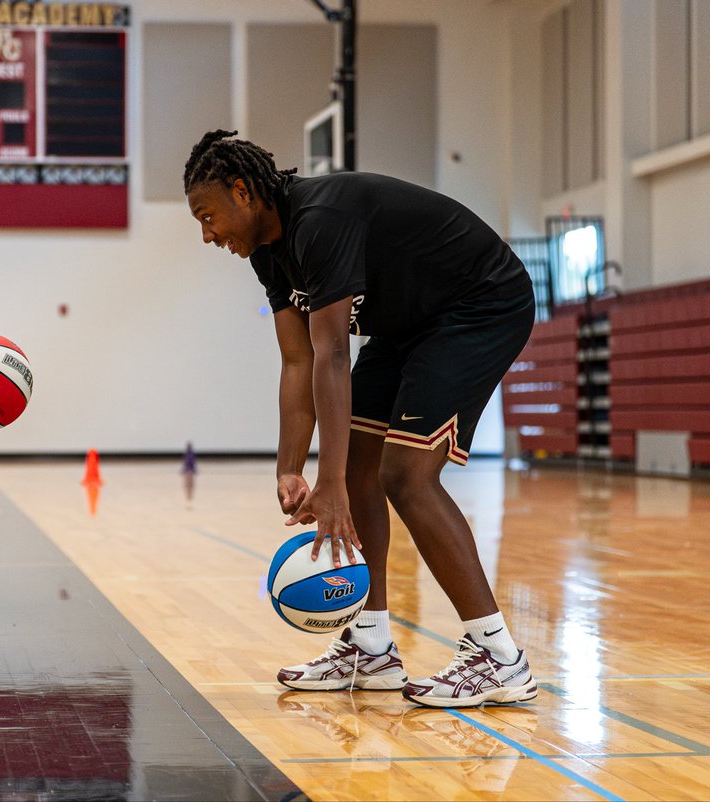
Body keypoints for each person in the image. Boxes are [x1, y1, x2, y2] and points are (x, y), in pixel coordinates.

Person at [183, 130, 538, 709]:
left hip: (479, 306)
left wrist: (330, 482)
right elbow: (296, 361)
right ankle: (370, 647)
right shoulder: (269, 254)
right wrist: (291, 470)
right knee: (354, 474)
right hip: (411, 324)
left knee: (404, 475)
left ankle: (500, 657)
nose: (207, 234)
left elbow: (332, 356)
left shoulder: (319, 220)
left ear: (243, 192)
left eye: (207, 216)